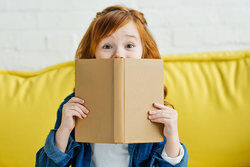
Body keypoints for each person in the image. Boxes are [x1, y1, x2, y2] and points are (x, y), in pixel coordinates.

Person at [35, 5, 189, 167]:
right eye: (107, 46)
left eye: (129, 45)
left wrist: (172, 137)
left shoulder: (156, 107)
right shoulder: (73, 106)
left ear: (143, 52)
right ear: (93, 54)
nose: (119, 54)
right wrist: (63, 132)